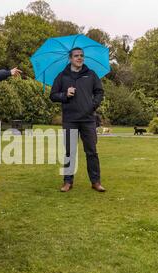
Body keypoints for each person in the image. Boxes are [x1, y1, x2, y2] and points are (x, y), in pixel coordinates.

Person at [50, 47, 106, 193]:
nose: (79, 58)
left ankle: (96, 182)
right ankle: (67, 182)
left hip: (88, 120)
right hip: (70, 120)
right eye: (76, 56)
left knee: (92, 151)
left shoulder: (91, 75)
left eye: (81, 56)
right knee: (70, 152)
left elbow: (99, 92)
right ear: (70, 59)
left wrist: (92, 105)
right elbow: (53, 95)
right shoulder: (62, 76)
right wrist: (65, 94)